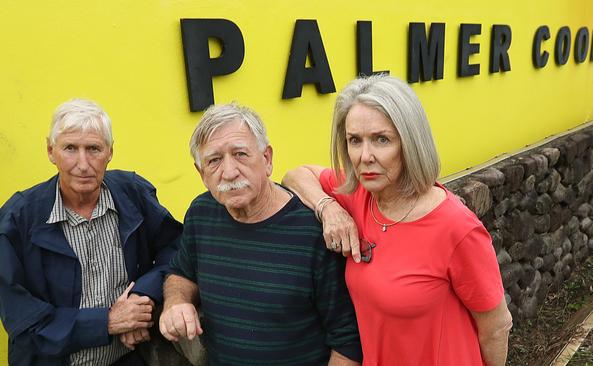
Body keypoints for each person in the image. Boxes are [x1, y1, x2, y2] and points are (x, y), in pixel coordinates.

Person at [282, 74, 513, 366]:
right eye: (355, 140)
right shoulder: (359, 196)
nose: (365, 156)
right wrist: (328, 208)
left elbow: (496, 326)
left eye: (382, 139)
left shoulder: (456, 227)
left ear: (410, 143)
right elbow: (296, 175)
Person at [159, 103, 362, 365]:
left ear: (267, 159)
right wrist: (176, 302)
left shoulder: (312, 233)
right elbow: (181, 273)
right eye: (214, 160)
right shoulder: (202, 213)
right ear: (201, 173)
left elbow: (347, 342)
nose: (229, 172)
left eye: (241, 154)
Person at [0, 99, 182, 366]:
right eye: (70, 148)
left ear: (110, 152)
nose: (83, 164)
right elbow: (23, 321)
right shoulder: (18, 219)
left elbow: (176, 249)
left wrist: (142, 300)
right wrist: (108, 321)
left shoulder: (132, 194)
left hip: (129, 358)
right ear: (51, 151)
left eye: (94, 149)